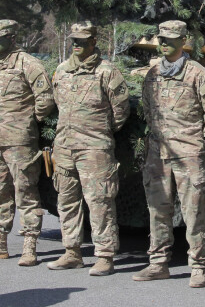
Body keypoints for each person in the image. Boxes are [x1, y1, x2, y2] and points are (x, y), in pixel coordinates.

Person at [133, 20, 205, 288]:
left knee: (193, 212)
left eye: (171, 39)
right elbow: (148, 107)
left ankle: (198, 266)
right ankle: (158, 264)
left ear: (183, 40)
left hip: (187, 153)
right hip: (157, 153)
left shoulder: (197, 73)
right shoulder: (152, 73)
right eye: (161, 38)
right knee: (157, 210)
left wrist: (196, 140)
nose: (164, 43)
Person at [46, 21, 130, 276]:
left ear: (94, 41)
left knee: (99, 202)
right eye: (74, 39)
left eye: (82, 40)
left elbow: (121, 111)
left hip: (94, 149)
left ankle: (104, 255)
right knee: (67, 201)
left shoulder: (107, 72)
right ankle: (72, 252)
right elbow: (58, 102)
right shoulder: (61, 71)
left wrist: (99, 132)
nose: (76, 44)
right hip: (64, 146)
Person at [0, 19, 55, 267]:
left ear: (12, 38)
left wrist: (27, 122)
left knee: (26, 192)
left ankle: (30, 246)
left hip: (19, 142)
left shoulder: (28, 64)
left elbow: (45, 99)